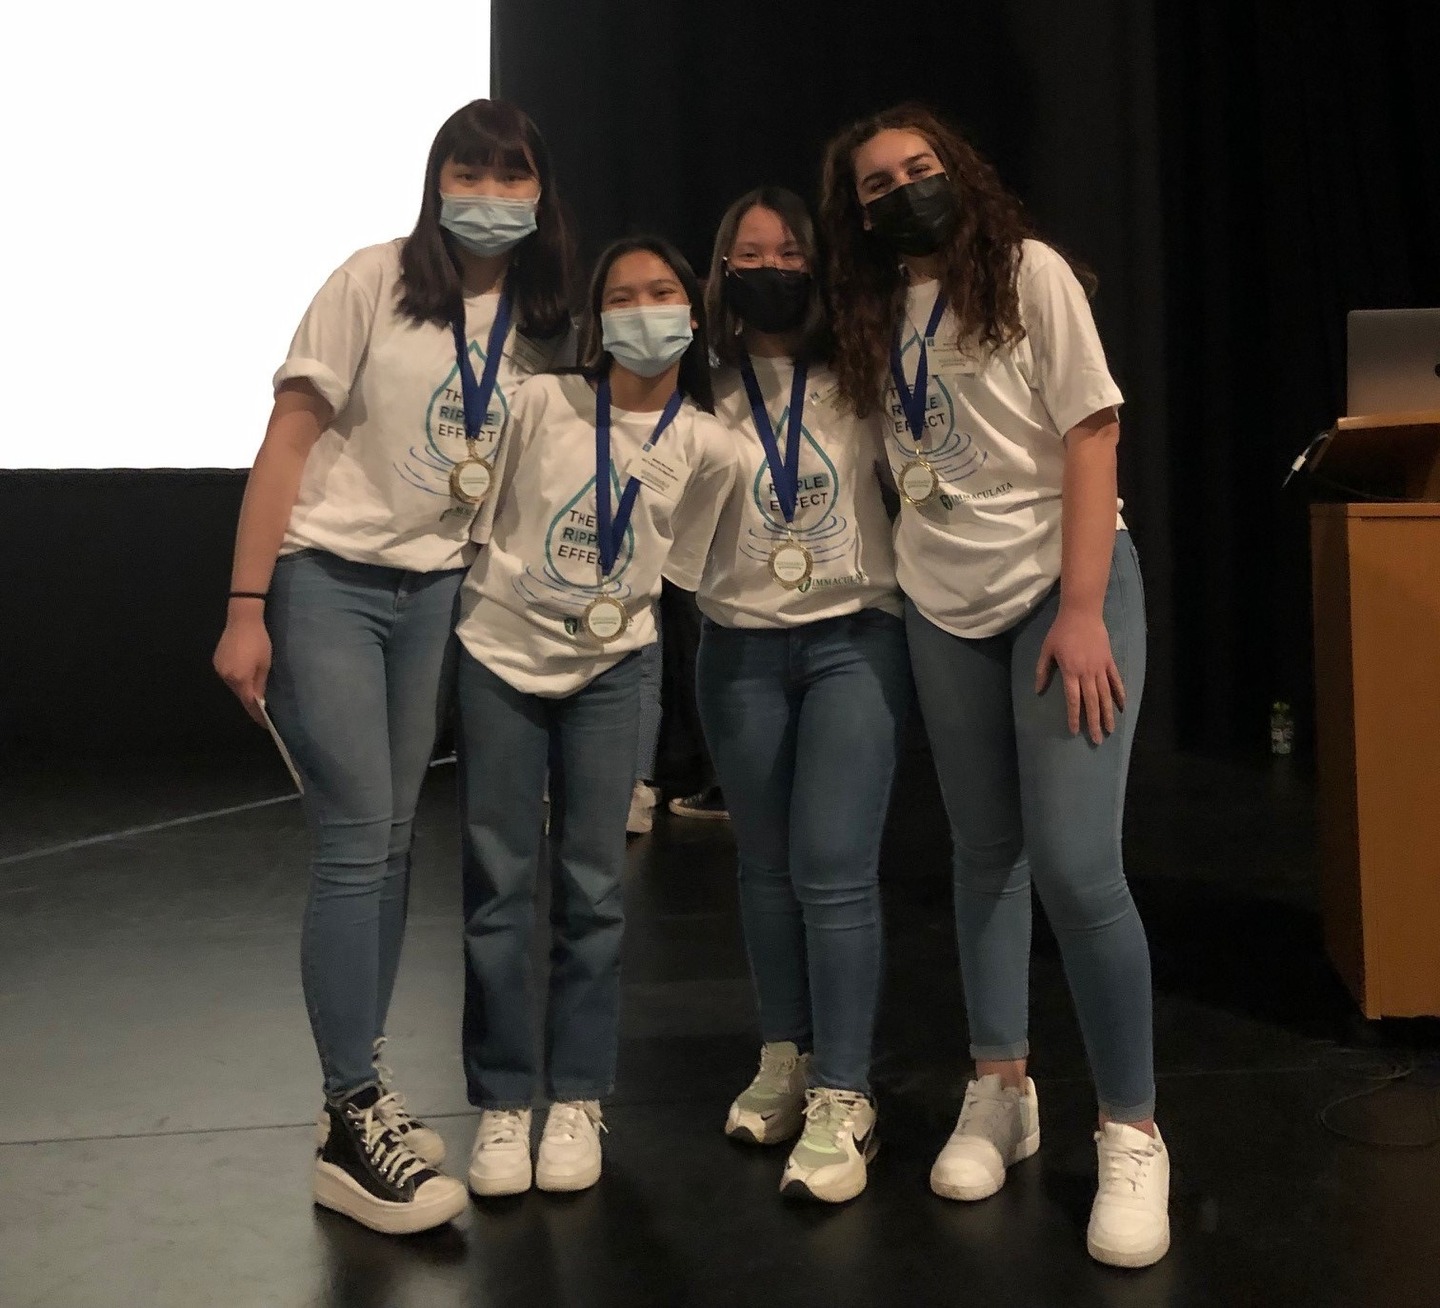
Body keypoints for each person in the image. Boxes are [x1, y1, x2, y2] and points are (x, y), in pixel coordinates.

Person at [211, 98, 574, 1235]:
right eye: (471, 169)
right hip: (330, 578)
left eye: (512, 173)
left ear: (537, 190)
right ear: (437, 180)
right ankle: (349, 1106)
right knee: (358, 830)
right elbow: (290, 434)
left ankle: (353, 1102)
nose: (491, 189)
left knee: (393, 838)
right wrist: (246, 605)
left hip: (436, 595)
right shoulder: (373, 278)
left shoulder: (536, 317)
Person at [820, 104, 1167, 1267]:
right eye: (876, 185)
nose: (901, 191)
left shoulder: (1028, 273)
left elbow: (1092, 430)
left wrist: (1078, 610)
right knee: (984, 856)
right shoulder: (874, 308)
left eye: (918, 169)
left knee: (1076, 866)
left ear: (958, 172)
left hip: (1057, 592)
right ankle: (1002, 1087)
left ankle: (1131, 1128)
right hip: (942, 603)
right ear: (856, 214)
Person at [456, 236, 735, 1198]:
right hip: (500, 654)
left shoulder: (707, 443)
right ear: (596, 317)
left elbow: (682, 567)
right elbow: (482, 517)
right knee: (496, 882)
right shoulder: (541, 402)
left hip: (614, 668)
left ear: (693, 315)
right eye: (623, 295)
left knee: (593, 888)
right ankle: (500, 1101)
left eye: (663, 293)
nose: (644, 309)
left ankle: (575, 1094)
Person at [697, 187, 910, 1203]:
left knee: (834, 867)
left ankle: (845, 1093)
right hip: (738, 649)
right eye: (751, 251)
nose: (772, 264)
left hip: (852, 639)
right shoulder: (695, 381)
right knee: (767, 868)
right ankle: (784, 1055)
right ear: (724, 268)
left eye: (790, 249)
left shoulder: (867, 366)